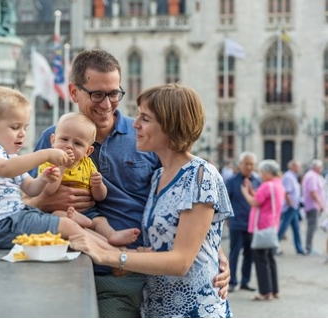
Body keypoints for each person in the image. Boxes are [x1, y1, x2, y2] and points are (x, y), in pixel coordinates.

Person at [25, 48, 230, 317]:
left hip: (140, 274)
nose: (107, 104)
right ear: (74, 92)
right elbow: (23, 205)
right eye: (97, 94)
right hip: (74, 268)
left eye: (114, 93)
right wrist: (44, 200)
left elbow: (189, 201)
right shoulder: (54, 138)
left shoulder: (147, 138)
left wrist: (216, 252)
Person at [68, 83, 233, 317]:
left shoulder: (200, 174)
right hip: (157, 309)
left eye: (145, 119)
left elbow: (181, 261)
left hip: (194, 311)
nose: (135, 124)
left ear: (169, 125)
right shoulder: (158, 177)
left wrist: (110, 256)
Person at [0, 86, 107, 249]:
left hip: (13, 218)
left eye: (25, 127)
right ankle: (111, 256)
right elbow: (5, 169)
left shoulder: (10, 157)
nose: (22, 133)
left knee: (72, 227)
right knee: (68, 226)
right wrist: (45, 154)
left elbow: (31, 189)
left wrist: (44, 179)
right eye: (15, 127)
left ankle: (114, 251)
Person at [37, 112, 140, 246]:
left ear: (88, 151)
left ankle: (112, 235)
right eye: (64, 139)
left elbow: (99, 197)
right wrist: (62, 166)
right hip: (61, 212)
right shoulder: (48, 163)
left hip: (87, 212)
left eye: (78, 143)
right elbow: (48, 191)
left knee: (100, 220)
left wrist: (98, 185)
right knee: (58, 215)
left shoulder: (88, 164)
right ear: (53, 140)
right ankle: (105, 244)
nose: (69, 146)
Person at [241, 159, 285, 301]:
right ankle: (274, 290)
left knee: (261, 260)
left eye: (262, 172)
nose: (260, 175)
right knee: (270, 258)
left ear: (267, 173)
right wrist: (252, 190)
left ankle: (265, 292)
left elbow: (255, 202)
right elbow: (263, 199)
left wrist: (245, 193)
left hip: (261, 225)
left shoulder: (267, 185)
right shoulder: (278, 184)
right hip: (272, 224)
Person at [225, 151, 261, 292]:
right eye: (246, 164)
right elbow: (225, 201)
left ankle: (245, 281)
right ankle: (232, 281)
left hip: (252, 224)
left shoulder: (257, 181)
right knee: (234, 253)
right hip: (237, 222)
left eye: (251, 164)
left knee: (249, 253)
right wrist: (227, 218)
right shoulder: (231, 182)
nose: (249, 167)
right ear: (240, 165)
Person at [277, 159, 305, 255]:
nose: (299, 168)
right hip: (290, 207)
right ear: (292, 166)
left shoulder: (293, 176)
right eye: (297, 166)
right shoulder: (289, 177)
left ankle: (299, 248)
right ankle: (274, 247)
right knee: (283, 227)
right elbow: (287, 192)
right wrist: (290, 204)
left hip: (295, 206)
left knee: (296, 228)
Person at [301, 159, 326, 255]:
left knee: (312, 226)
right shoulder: (312, 176)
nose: (322, 169)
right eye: (320, 167)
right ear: (316, 167)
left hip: (313, 205)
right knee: (312, 226)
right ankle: (309, 247)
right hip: (312, 205)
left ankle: (309, 246)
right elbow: (313, 192)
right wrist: (320, 204)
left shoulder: (313, 175)